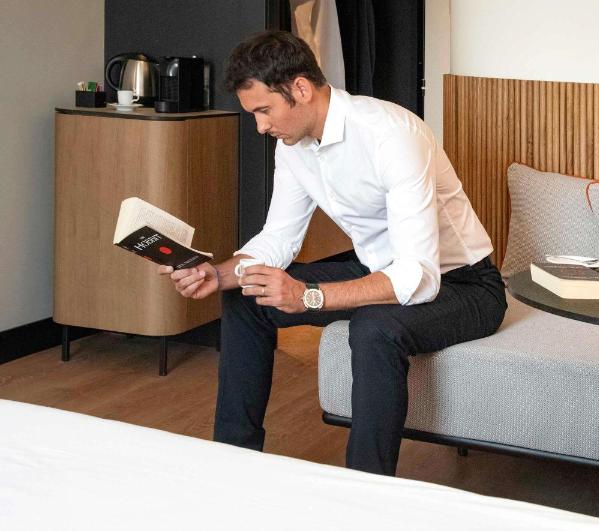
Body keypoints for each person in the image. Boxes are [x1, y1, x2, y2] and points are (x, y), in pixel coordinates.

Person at [159, 31, 506, 476]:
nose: (261, 127)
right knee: (247, 299)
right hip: (379, 268)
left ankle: (365, 489)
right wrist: (220, 274)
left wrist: (308, 296)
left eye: (264, 110)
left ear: (301, 89)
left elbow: (417, 276)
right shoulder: (293, 146)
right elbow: (279, 237)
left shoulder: (392, 134)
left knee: (375, 327)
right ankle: (233, 463)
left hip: (463, 283)